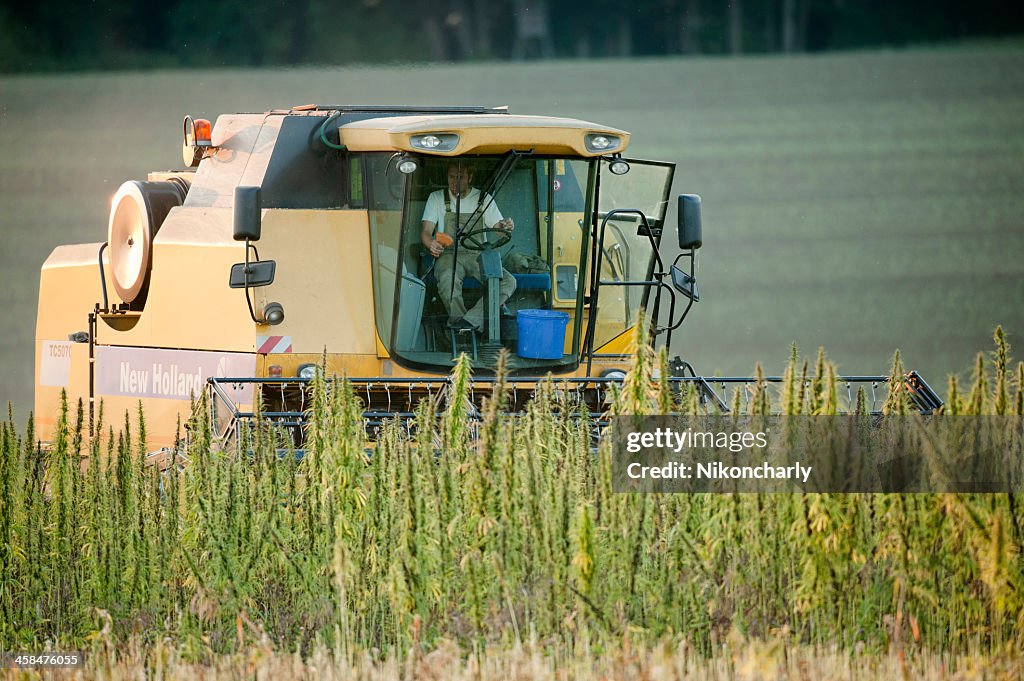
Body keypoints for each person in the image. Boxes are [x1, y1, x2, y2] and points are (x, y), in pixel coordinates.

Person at [421, 163, 517, 332]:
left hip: (476, 255)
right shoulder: (436, 198)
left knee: (508, 282)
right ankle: (462, 329)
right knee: (447, 281)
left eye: (460, 177)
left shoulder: (483, 199)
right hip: (449, 255)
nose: (455, 182)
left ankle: (467, 323)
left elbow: (500, 231)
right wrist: (431, 244)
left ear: (470, 177)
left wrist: (506, 226)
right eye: (451, 177)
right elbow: (426, 232)